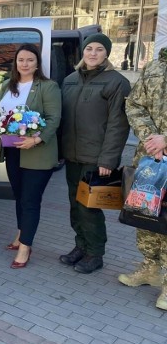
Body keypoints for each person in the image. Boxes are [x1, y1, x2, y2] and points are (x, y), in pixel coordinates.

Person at [59, 33, 130, 274]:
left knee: (89, 207)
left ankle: (95, 253)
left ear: (106, 53)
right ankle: (81, 245)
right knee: (74, 204)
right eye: (89, 48)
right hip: (71, 155)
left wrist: (108, 160)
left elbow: (118, 125)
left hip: (96, 158)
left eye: (99, 49)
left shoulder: (116, 82)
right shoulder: (69, 80)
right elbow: (62, 119)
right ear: (83, 51)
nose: (92, 53)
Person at [0, 44, 62, 268]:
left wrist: (37, 139)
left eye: (30, 60)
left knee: (30, 201)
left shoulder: (47, 87)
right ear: (15, 62)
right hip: (12, 150)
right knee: (19, 196)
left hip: (37, 152)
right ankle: (20, 235)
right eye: (21, 60)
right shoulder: (7, 85)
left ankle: (25, 247)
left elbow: (54, 119)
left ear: (37, 63)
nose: (25, 64)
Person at [118, 46, 167, 310]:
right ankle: (150, 268)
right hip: (150, 159)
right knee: (145, 215)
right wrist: (151, 137)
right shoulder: (155, 66)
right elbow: (134, 103)